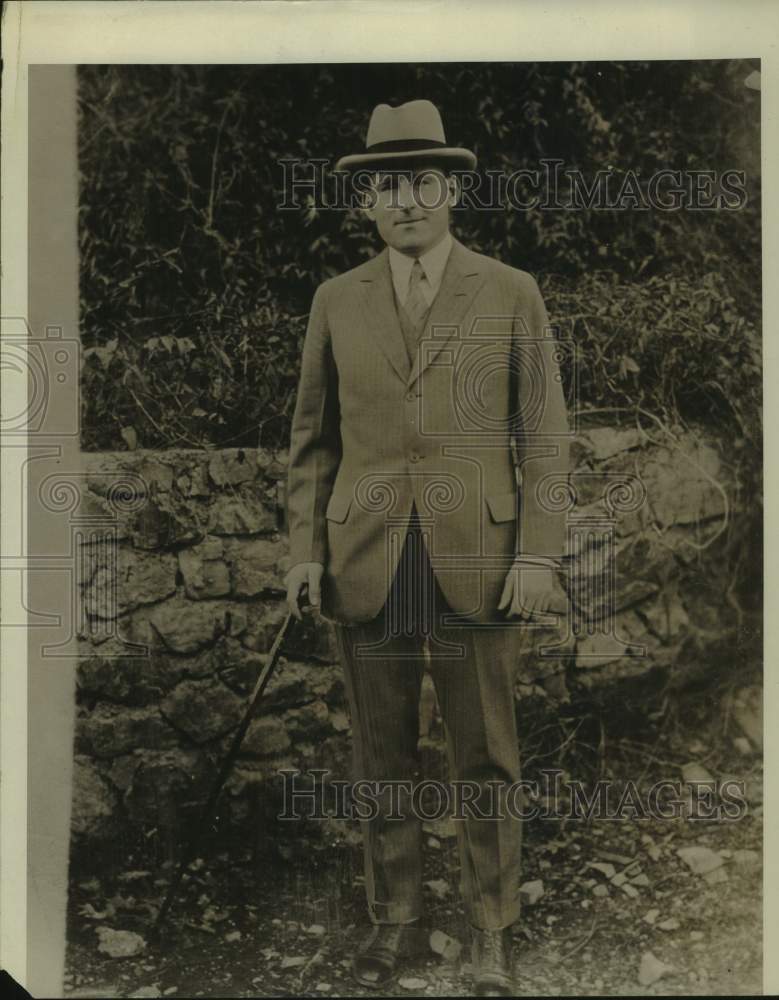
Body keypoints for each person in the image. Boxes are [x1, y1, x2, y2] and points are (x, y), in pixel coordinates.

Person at [284, 99, 570, 996]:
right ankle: (395, 919)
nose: (404, 199)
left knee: (484, 752)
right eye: (384, 185)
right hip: (365, 559)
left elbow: (546, 435)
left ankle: (490, 929)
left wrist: (536, 556)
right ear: (365, 202)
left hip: (477, 563)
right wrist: (302, 551)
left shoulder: (508, 290)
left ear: (451, 191)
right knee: (380, 753)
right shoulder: (336, 300)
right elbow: (312, 442)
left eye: (421, 181)